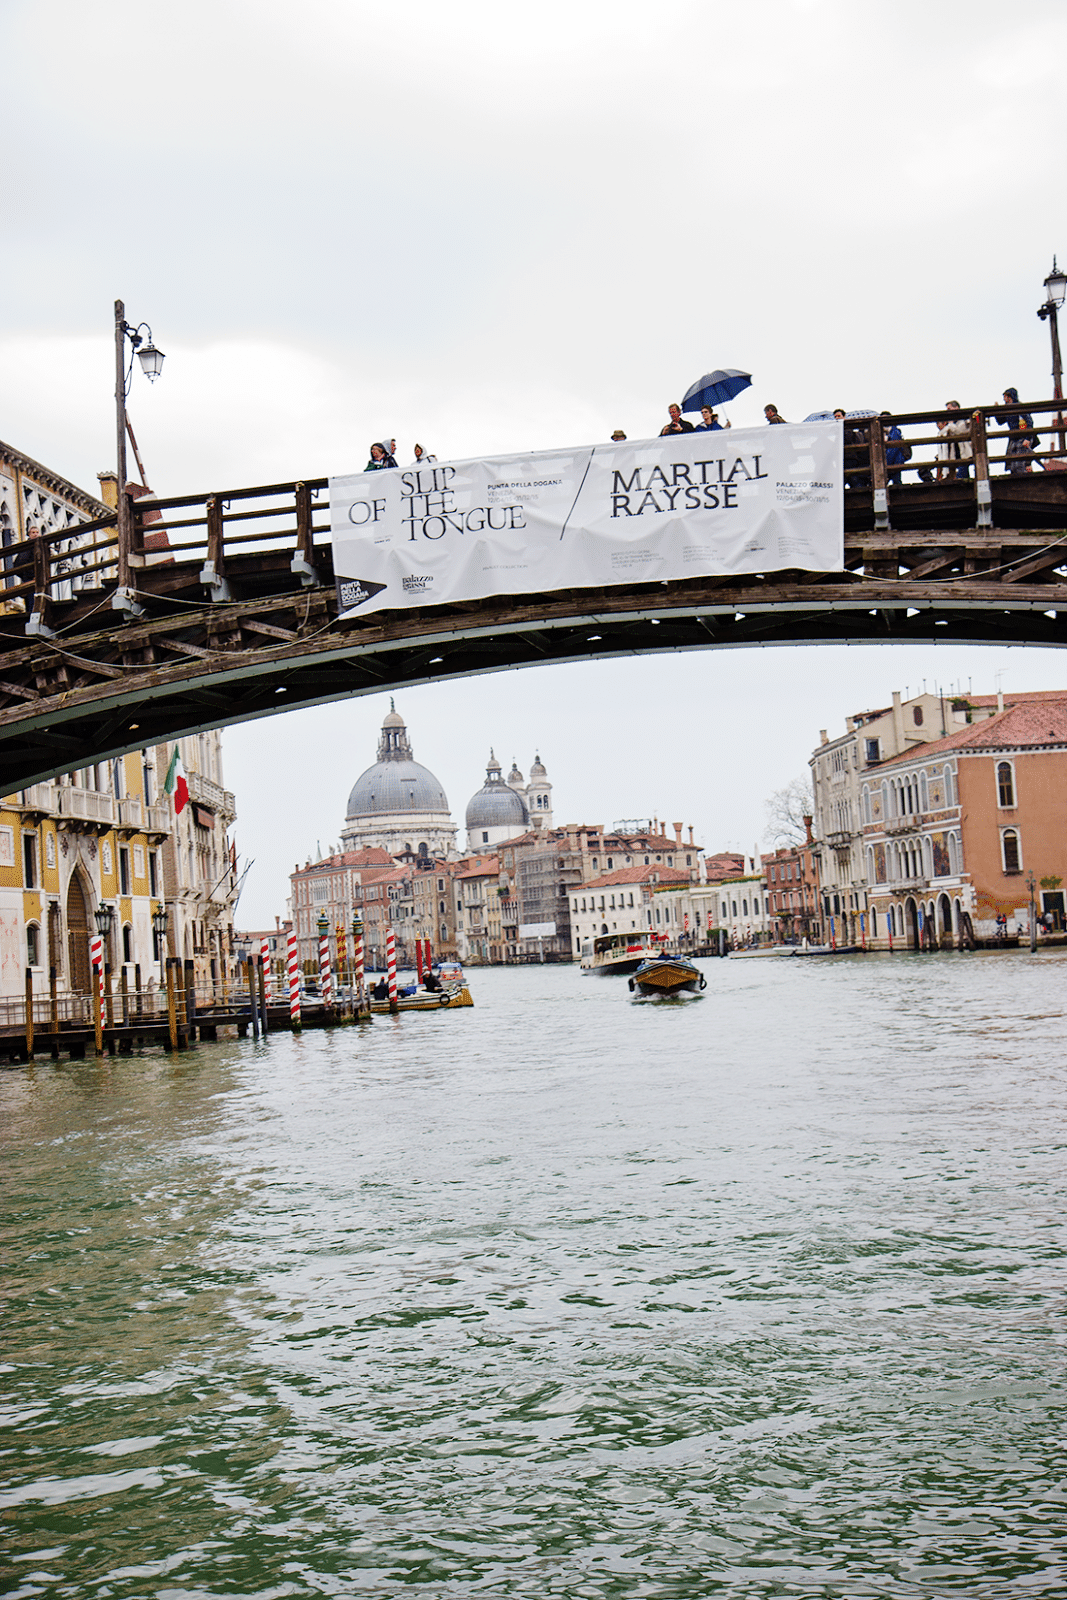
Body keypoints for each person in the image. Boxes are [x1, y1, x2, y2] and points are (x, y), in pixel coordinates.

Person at [993, 388, 1038, 475]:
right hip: (1014, 438)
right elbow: (1000, 421)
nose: (1003, 399)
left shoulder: (1019, 407)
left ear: (1009, 397)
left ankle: (1023, 480)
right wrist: (996, 410)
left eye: (1005, 396)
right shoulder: (1008, 409)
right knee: (1013, 463)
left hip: (1022, 437)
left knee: (1020, 463)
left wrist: (1028, 438)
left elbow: (1029, 422)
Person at [938, 401, 972, 480]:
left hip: (964, 450)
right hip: (955, 451)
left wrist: (950, 425)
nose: (948, 411)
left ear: (956, 407)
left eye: (949, 409)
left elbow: (960, 431)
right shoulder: (951, 423)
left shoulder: (964, 420)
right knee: (960, 469)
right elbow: (942, 433)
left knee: (963, 468)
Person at [881, 411, 908, 485]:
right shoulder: (881, 431)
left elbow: (894, 448)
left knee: (896, 481)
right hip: (891, 462)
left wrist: (886, 463)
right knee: (894, 481)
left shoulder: (895, 432)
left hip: (895, 461)